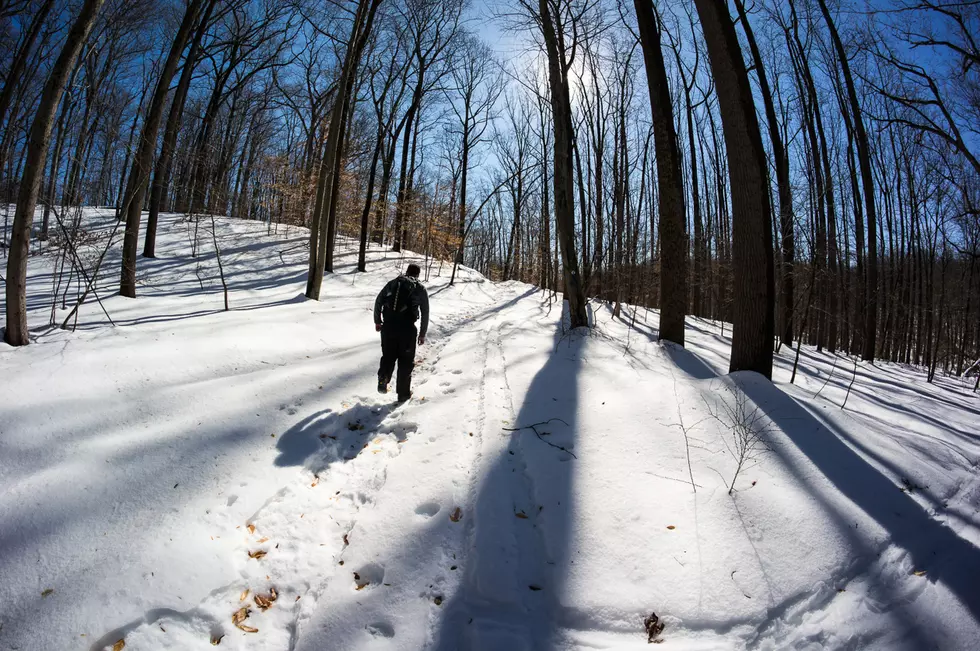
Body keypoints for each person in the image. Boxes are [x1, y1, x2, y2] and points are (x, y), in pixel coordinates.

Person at [374, 263, 429, 402]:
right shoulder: (420, 289)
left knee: (388, 356)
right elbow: (425, 312)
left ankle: (384, 377)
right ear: (418, 274)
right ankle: (403, 394)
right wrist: (422, 333)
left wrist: (378, 321)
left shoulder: (393, 283)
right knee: (406, 361)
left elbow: (378, 301)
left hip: (388, 327)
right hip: (407, 330)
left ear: (406, 271)